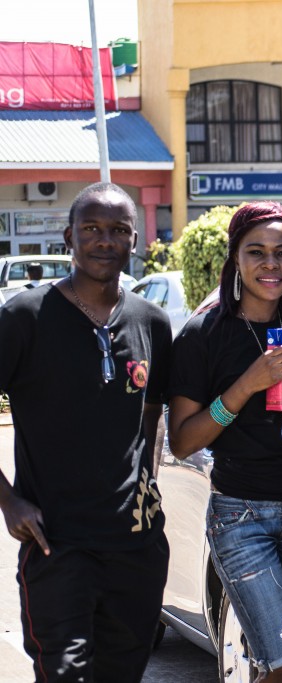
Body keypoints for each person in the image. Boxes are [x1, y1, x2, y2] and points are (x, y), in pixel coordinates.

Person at [167, 201, 282, 682]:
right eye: (256, 252)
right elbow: (184, 440)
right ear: (236, 259)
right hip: (241, 516)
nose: (271, 264)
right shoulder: (202, 335)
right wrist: (245, 386)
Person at [0, 182, 172, 682]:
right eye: (92, 228)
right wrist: (8, 500)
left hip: (136, 547)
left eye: (118, 230)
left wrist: (147, 488)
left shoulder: (152, 322)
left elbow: (152, 413)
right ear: (67, 235)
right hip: (57, 543)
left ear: (134, 241)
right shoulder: (24, 317)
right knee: (65, 675)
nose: (104, 240)